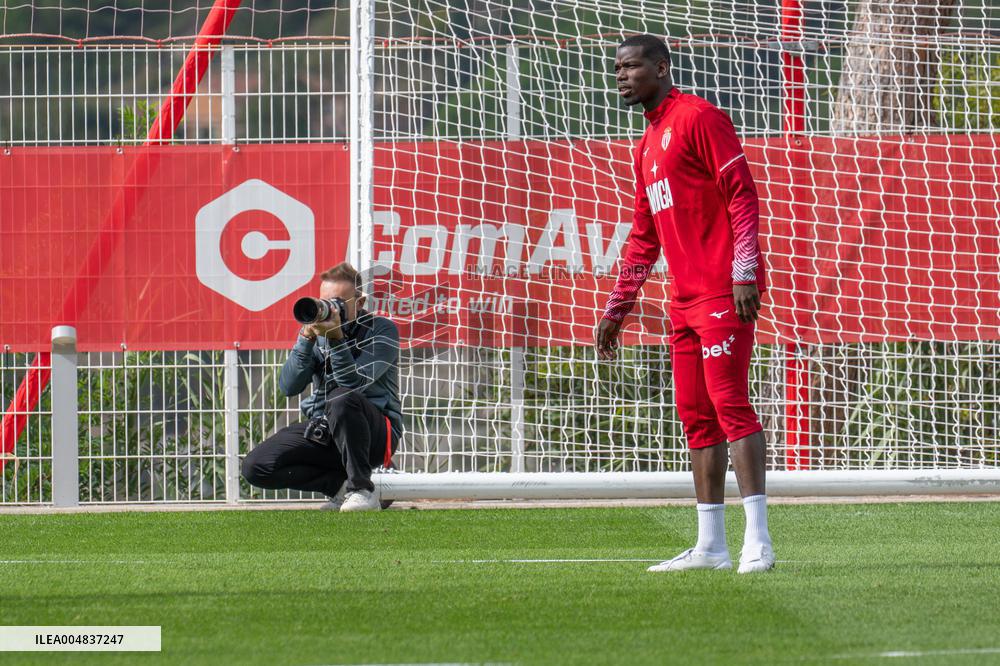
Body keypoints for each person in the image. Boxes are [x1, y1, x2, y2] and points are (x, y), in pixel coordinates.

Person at [595, 34, 774, 573]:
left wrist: (744, 272)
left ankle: (758, 542)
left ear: (662, 67)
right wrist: (618, 306)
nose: (621, 76)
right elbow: (643, 236)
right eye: (617, 69)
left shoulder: (699, 117)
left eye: (631, 67)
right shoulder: (646, 144)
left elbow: (741, 194)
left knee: (730, 404)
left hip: (723, 291)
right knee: (697, 418)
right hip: (683, 302)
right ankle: (711, 546)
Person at [242, 262, 402, 512]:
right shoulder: (318, 335)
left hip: (376, 436)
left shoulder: (381, 330)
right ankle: (339, 487)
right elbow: (288, 387)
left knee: (341, 398)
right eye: (325, 302)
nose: (330, 310)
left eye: (338, 303)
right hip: (327, 430)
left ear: (359, 303)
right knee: (257, 466)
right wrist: (305, 339)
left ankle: (362, 489)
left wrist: (336, 339)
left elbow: (353, 385)